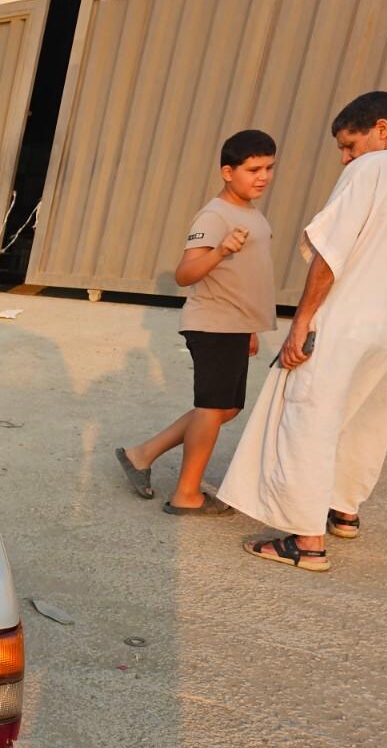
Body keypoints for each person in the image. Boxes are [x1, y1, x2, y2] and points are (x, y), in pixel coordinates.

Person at [219, 91, 387, 572]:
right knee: (369, 418)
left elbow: (330, 254)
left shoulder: (371, 170)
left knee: (308, 418)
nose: (346, 157)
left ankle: (307, 543)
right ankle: (344, 511)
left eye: (349, 144)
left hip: (347, 321)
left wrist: (302, 322)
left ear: (382, 129)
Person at [116, 130, 279, 513]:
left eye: (269, 168)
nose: (263, 176)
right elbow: (186, 273)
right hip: (213, 323)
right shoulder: (215, 215)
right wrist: (221, 250)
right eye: (253, 168)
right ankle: (186, 495)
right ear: (227, 171)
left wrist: (251, 326)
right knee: (211, 407)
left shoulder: (250, 212)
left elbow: (247, 278)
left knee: (225, 408)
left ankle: (143, 454)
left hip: (235, 325)